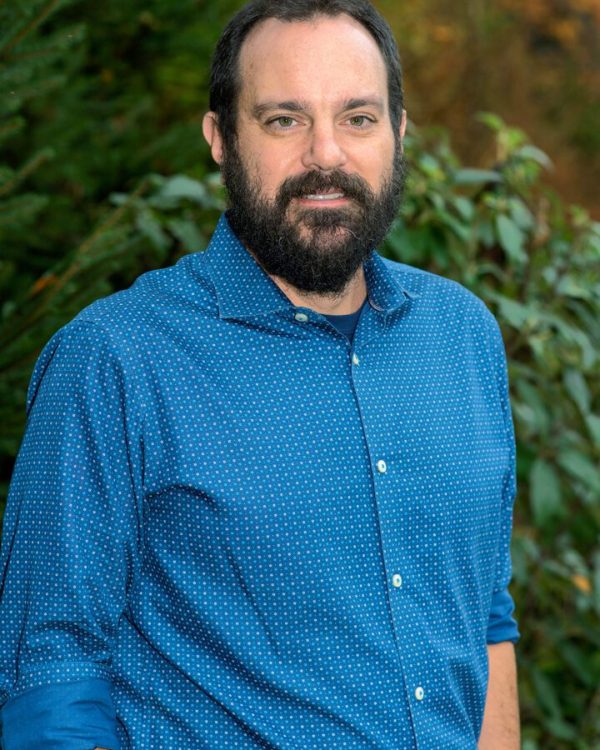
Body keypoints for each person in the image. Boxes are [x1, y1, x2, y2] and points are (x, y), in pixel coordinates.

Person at [0, 1, 520, 748]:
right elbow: (48, 679)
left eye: (359, 118)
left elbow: (484, 614)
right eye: (284, 120)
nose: (326, 156)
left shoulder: (462, 335)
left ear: (400, 133)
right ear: (221, 138)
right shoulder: (116, 359)